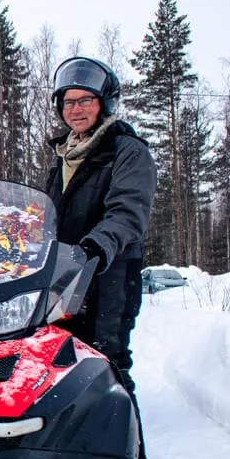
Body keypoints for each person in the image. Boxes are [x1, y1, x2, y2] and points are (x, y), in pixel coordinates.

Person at [43, 56, 155, 390]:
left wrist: (95, 247)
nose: (75, 110)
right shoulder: (63, 157)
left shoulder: (127, 151)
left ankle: (122, 422)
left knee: (107, 362)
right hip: (65, 275)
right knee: (61, 360)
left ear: (104, 103)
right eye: (68, 102)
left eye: (85, 100)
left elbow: (128, 212)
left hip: (109, 274)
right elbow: (50, 216)